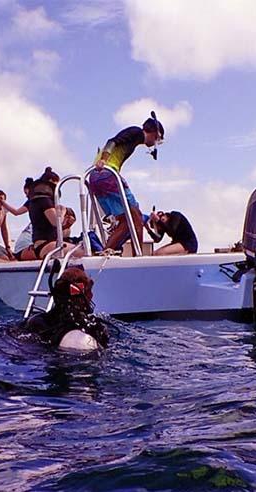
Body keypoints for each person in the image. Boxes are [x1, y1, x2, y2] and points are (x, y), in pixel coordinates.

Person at [89, 111, 164, 252]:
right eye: (157, 140)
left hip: (95, 178)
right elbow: (112, 142)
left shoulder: (134, 141)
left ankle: (106, 252)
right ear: (154, 133)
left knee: (125, 221)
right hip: (107, 174)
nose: (155, 143)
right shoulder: (137, 132)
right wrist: (104, 160)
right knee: (136, 216)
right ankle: (139, 258)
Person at [20, 267, 110, 350]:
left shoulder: (35, 321)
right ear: (83, 297)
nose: (92, 295)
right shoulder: (94, 328)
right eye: (89, 291)